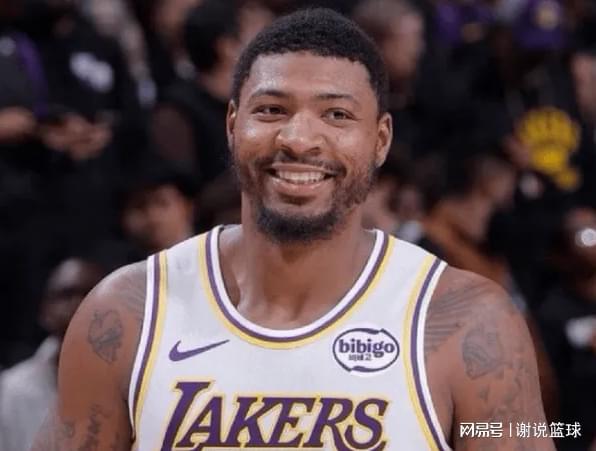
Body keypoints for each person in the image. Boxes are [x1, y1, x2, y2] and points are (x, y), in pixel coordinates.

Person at [31, 9, 554, 450]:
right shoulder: (126, 313)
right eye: (272, 109)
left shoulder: (468, 321)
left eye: (337, 114)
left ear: (381, 140)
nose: (299, 138)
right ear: (232, 125)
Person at [0, 257, 105, 451]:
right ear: (45, 310)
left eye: (90, 293)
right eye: (67, 294)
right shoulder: (11, 390)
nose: (78, 304)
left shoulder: (134, 388)